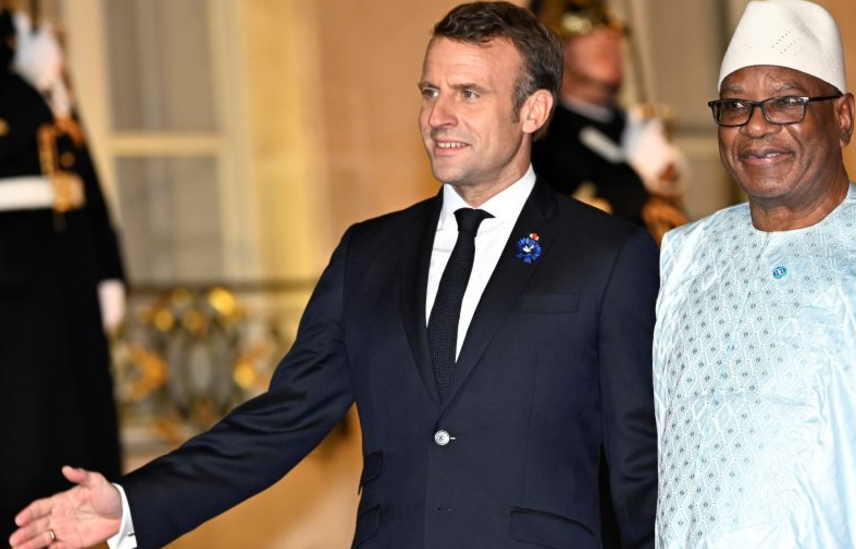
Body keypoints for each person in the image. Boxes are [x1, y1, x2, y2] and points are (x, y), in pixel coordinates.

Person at [9, 2, 659, 548]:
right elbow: (282, 418)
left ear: (533, 111)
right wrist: (129, 505)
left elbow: (639, 464)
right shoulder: (369, 252)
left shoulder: (606, 254)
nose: (439, 116)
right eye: (431, 92)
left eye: (469, 94)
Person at [652, 0, 856, 547]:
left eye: (786, 104)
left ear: (842, 116)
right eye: (735, 106)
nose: (755, 127)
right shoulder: (688, 254)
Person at [0, 7, 126, 540]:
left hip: (61, 282)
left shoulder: (31, 69)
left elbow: (81, 178)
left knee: (71, 435)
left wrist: (106, 269)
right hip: (12, 292)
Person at [529, 0, 688, 243]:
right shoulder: (537, 146)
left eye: (609, 22)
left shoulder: (638, 128)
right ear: (554, 47)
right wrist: (635, 185)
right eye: (584, 22)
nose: (608, 34)